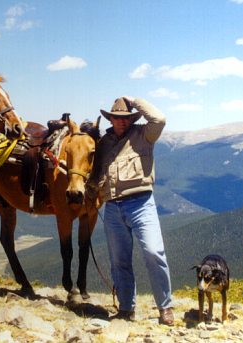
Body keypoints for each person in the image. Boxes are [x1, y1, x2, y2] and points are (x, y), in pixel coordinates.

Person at [92, 96, 174, 325]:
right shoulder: (104, 142)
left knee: (153, 253)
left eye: (126, 118)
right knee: (119, 261)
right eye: (117, 118)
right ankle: (126, 309)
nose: (122, 122)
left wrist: (135, 101)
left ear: (132, 118)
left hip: (141, 203)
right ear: (111, 119)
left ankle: (165, 307)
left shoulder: (145, 134)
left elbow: (160, 118)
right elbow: (97, 173)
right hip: (112, 207)